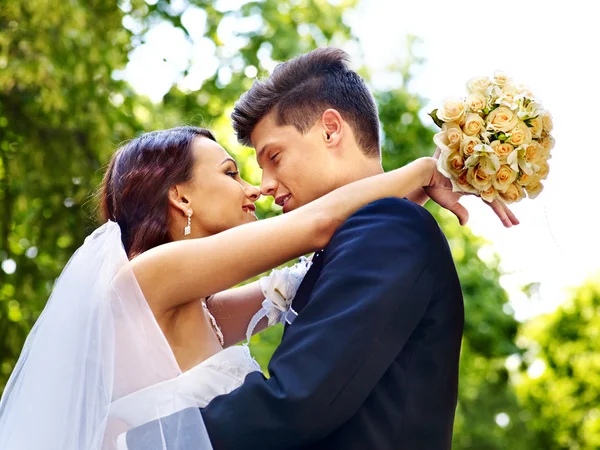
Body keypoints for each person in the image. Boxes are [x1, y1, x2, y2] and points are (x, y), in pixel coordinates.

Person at [0, 117, 507, 449]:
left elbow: (308, 275)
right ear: (181, 197)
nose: (254, 190)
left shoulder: (199, 310)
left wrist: (396, 217)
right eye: (230, 172)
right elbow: (317, 226)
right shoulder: (146, 277)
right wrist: (424, 169)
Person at [126, 48, 517, 450]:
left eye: (274, 157)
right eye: (237, 172)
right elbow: (318, 230)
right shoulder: (374, 231)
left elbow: (299, 402)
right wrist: (417, 173)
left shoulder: (389, 228)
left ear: (331, 129)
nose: (264, 186)